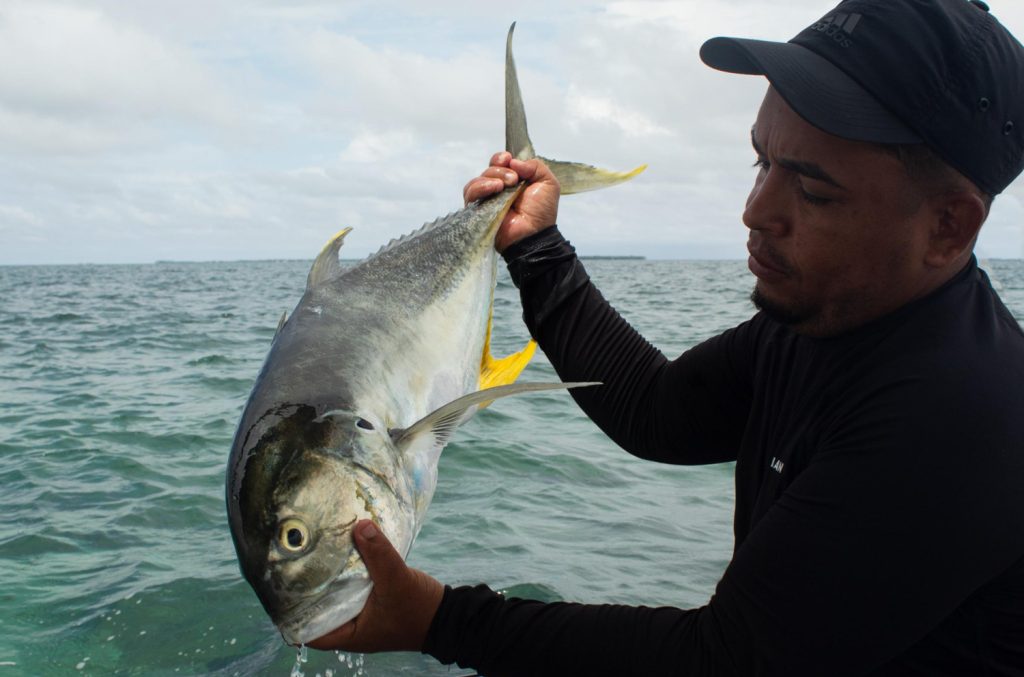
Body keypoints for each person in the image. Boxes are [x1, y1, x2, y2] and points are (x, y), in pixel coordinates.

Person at [310, 0, 1024, 674]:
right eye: (761, 162)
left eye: (813, 191)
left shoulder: (961, 415)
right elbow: (658, 410)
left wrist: (440, 620)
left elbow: (727, 661)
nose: (755, 211)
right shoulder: (832, 322)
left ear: (948, 226)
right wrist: (536, 249)